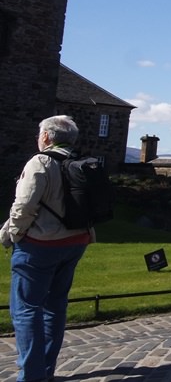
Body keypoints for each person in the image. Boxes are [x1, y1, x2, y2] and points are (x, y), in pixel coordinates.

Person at [0, 115, 93, 382]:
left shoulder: (40, 162)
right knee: (55, 306)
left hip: (40, 245)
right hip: (76, 242)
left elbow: (24, 206)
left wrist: (13, 235)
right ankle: (45, 370)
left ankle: (31, 376)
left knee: (26, 308)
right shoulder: (83, 162)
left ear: (46, 137)